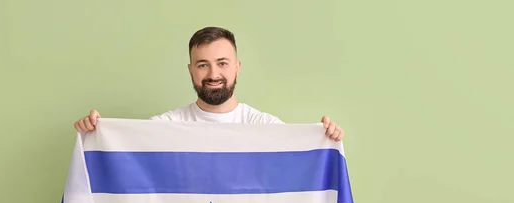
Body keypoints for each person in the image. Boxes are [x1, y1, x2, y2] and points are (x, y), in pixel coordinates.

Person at [73, 26, 345, 141]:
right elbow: (127, 143)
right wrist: (96, 132)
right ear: (191, 71)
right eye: (203, 65)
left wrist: (325, 140)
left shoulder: (265, 127)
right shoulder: (167, 126)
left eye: (223, 63)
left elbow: (299, 174)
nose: (213, 74)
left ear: (237, 68)